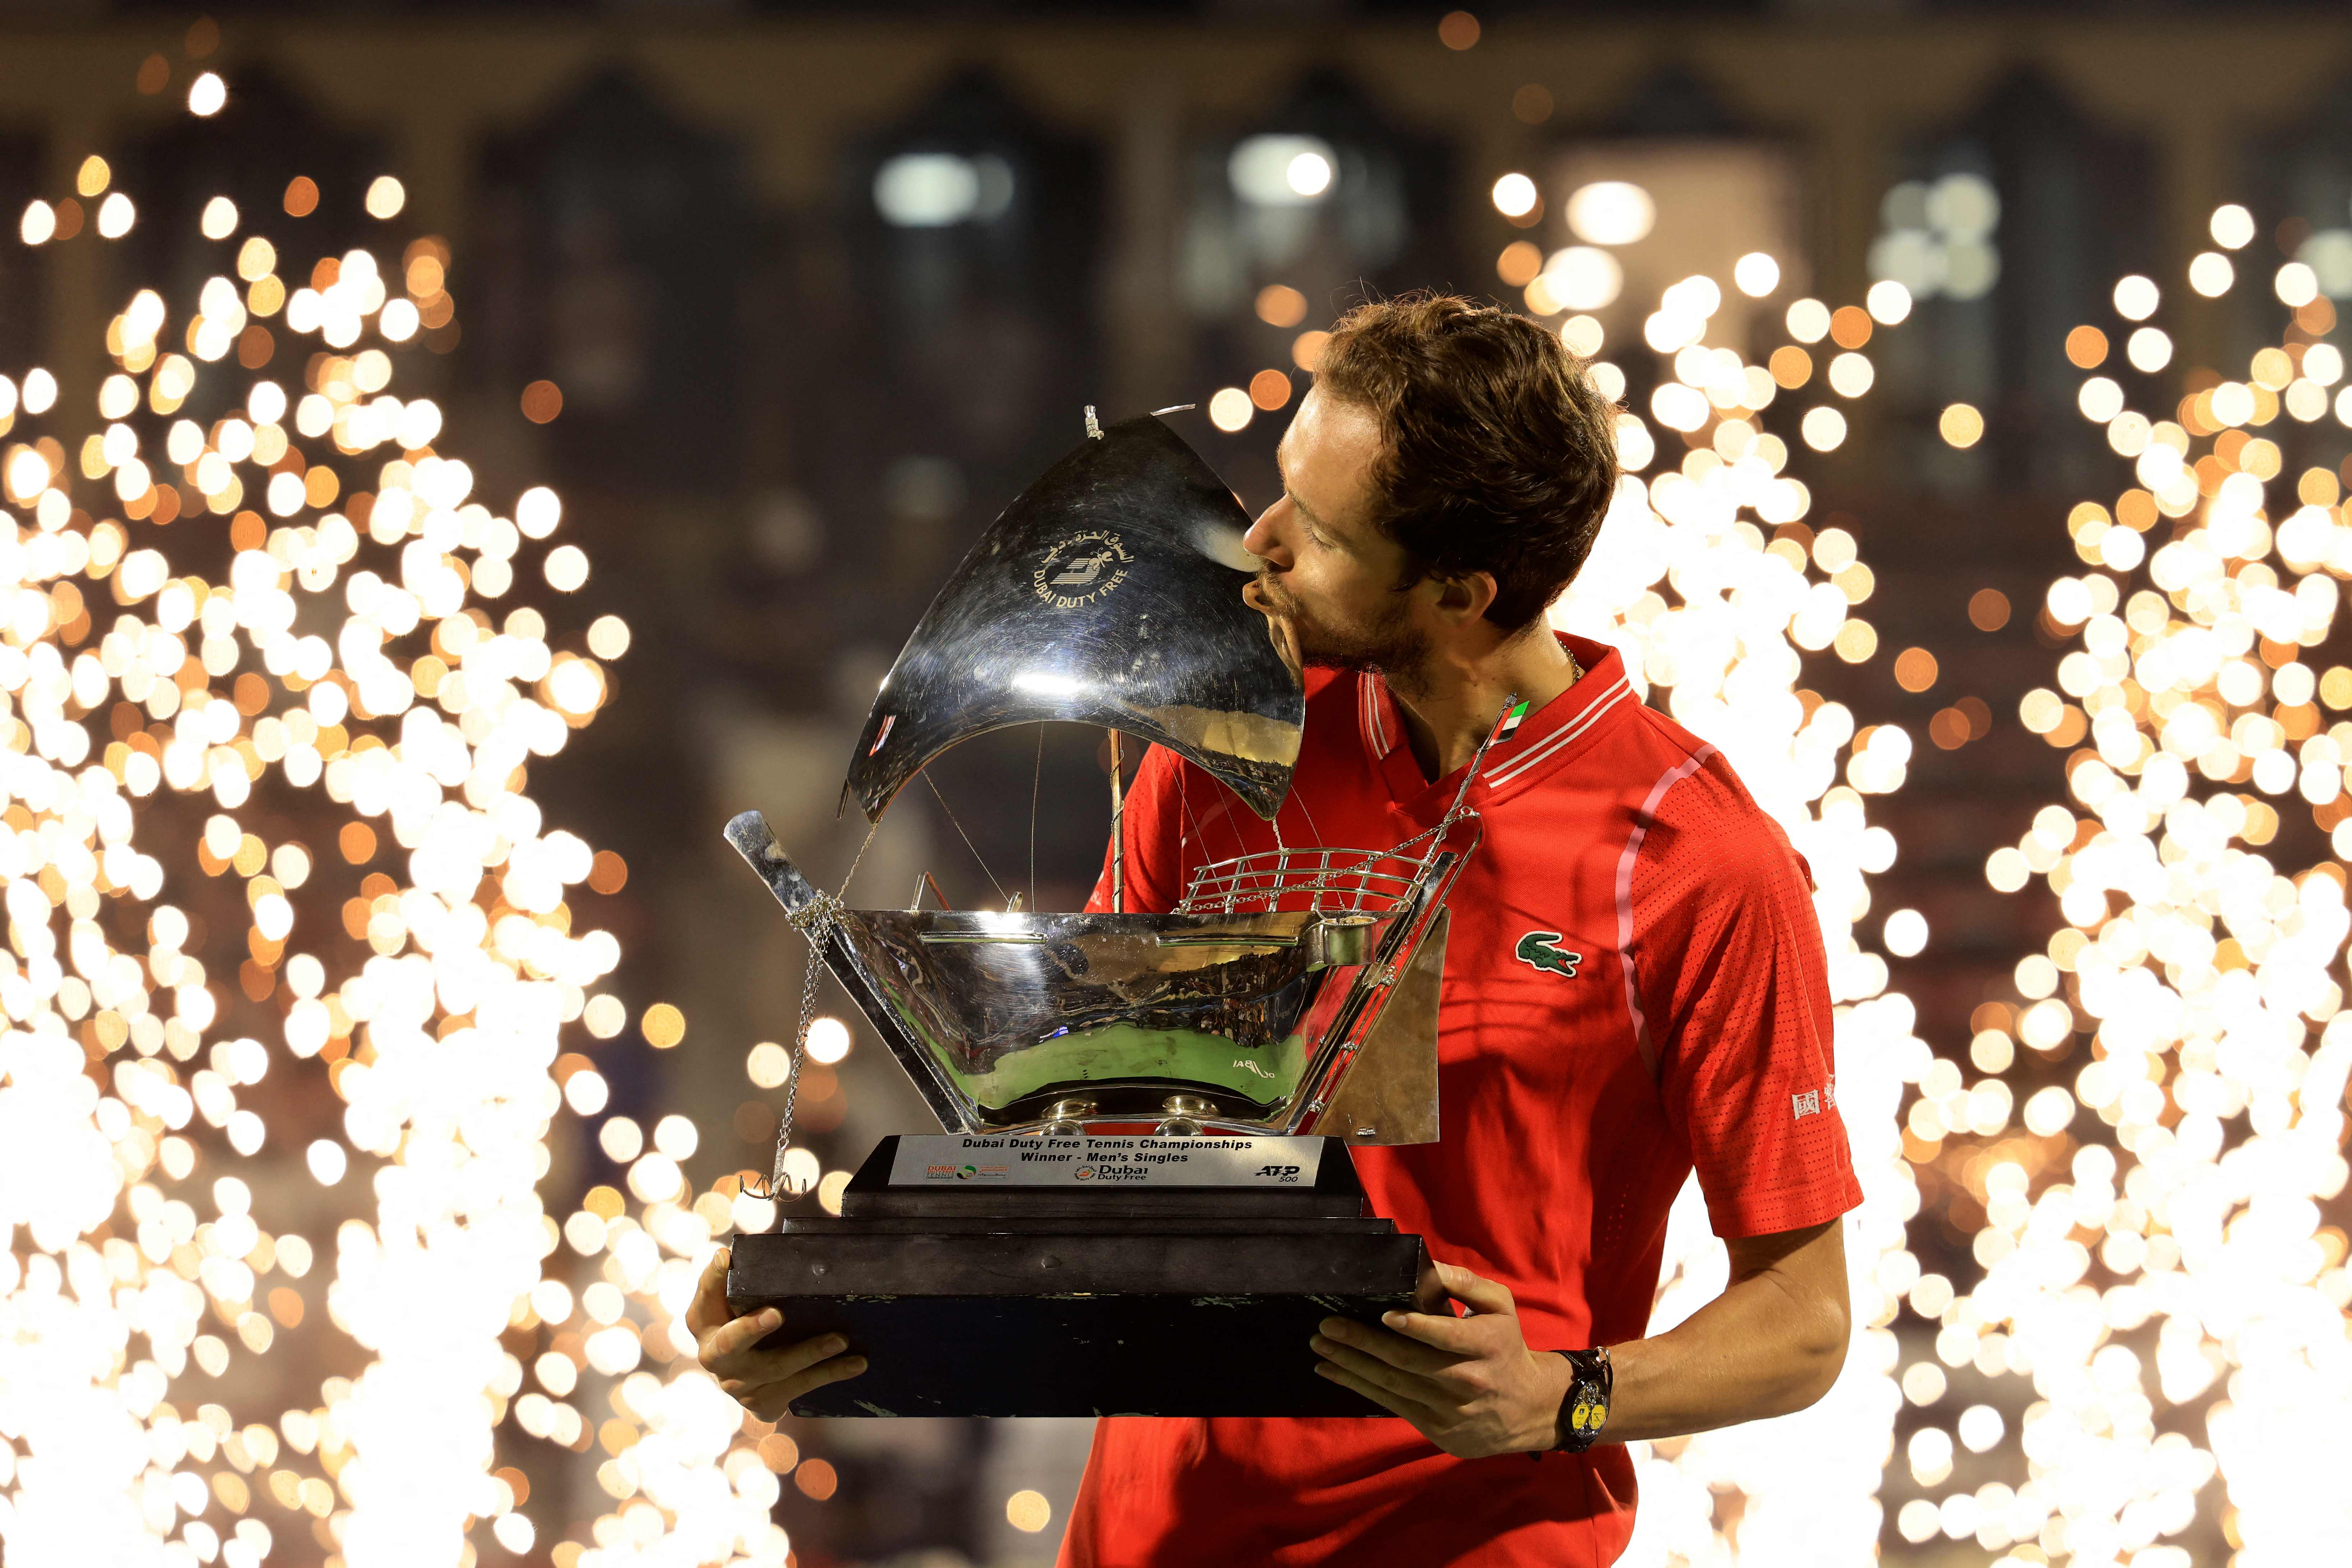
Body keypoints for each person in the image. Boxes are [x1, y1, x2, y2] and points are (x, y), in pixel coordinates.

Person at [688, 294, 1862, 1565]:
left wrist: (1568, 1394)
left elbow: (1804, 1319)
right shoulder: (1214, 762)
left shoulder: (1701, 863)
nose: (1260, 538)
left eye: (1322, 530)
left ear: (1463, 591)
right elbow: (1070, 1166)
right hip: (1150, 1538)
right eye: (1281, 486)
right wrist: (831, 1317)